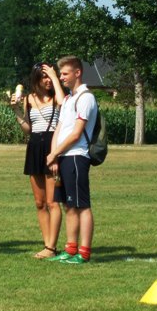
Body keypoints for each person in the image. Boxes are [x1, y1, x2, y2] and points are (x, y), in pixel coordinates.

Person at [45, 56, 97, 264]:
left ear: (78, 73)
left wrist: (54, 153)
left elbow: (76, 134)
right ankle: (70, 249)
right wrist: (55, 156)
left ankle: (84, 252)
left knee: (81, 205)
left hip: (77, 156)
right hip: (64, 157)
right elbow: (59, 129)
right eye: (60, 74)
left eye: (65, 74)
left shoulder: (86, 98)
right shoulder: (68, 100)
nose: (62, 77)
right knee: (69, 205)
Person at [11, 63, 65, 259]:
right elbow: (28, 129)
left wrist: (55, 77)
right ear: (36, 78)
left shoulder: (57, 97)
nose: (48, 80)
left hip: (52, 148)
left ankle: (51, 247)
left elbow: (63, 103)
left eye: (50, 76)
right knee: (40, 203)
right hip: (34, 148)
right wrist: (17, 111)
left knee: (53, 202)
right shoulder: (28, 99)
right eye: (44, 76)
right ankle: (47, 244)